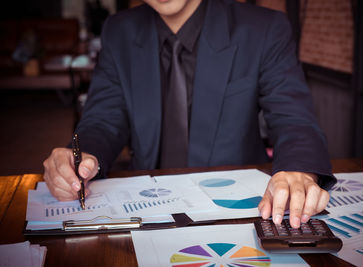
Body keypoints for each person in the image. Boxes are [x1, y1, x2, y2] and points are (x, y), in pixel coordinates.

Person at [43, 0, 336, 229]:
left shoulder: (263, 28)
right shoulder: (119, 31)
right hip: (146, 211)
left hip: (238, 214)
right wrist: (82, 158)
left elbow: (294, 119)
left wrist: (299, 170)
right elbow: (103, 119)